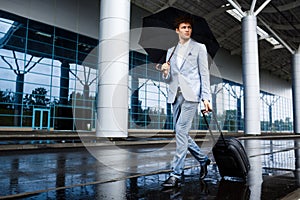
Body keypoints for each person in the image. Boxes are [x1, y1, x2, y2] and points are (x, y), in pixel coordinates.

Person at [161, 16, 212, 187]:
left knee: (181, 130)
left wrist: (206, 98)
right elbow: (169, 80)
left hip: (192, 95)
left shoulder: (199, 48)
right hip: (176, 95)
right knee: (180, 132)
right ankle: (203, 159)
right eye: (183, 27)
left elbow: (204, 74)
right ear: (177, 30)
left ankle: (176, 174)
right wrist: (165, 71)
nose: (187, 30)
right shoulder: (171, 51)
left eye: (189, 27)